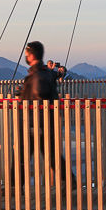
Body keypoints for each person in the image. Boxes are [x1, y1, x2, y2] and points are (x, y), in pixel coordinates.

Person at [17, 40, 65, 185]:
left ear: (31, 55)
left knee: (22, 157)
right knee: (51, 156)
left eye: (27, 54)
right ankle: (68, 180)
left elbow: (40, 93)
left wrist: (25, 94)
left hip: (35, 122)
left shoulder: (38, 75)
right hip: (42, 122)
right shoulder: (46, 73)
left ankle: (14, 186)